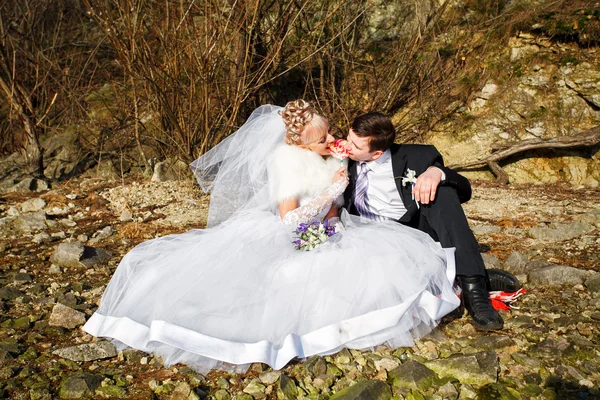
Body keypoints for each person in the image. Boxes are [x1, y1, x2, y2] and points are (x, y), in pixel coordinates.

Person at [83, 100, 460, 373]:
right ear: (300, 145)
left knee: (384, 266)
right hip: (296, 234)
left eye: (330, 132)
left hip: (335, 228)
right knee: (284, 288)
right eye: (323, 137)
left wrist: (338, 193)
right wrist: (332, 191)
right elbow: (289, 220)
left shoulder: (333, 154)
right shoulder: (287, 162)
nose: (332, 138)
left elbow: (343, 175)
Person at [343, 112, 520, 331]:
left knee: (442, 192)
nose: (346, 146)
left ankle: (476, 294)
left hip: (414, 233)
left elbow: (465, 191)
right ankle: (474, 279)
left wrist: (437, 173)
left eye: (355, 145)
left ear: (376, 153)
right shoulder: (340, 158)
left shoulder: (418, 155)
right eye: (348, 137)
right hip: (370, 237)